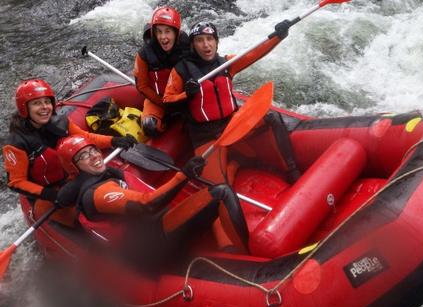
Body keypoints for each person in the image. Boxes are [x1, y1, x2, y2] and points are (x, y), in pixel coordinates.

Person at [56, 136, 249, 264]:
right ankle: (246, 261)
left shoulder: (104, 175)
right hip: (151, 245)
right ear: (74, 167)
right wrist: (184, 175)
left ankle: (230, 250)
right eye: (83, 156)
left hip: (153, 228)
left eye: (93, 150)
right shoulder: (97, 193)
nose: (94, 156)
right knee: (221, 193)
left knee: (213, 197)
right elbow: (146, 205)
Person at [163, 20, 300, 184]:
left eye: (210, 39)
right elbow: (167, 100)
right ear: (193, 45)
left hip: (232, 124)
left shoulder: (226, 63)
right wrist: (186, 94)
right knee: (216, 187)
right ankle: (235, 164)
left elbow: (254, 53)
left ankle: (291, 170)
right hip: (205, 135)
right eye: (200, 40)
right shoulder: (180, 70)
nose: (206, 45)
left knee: (273, 117)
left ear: (216, 41)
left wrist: (279, 36)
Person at [2, 79, 137, 227]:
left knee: (112, 184)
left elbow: (86, 138)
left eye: (47, 102)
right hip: (46, 194)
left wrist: (114, 140)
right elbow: (16, 183)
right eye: (36, 103)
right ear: (24, 108)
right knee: (81, 220)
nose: (44, 107)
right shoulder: (16, 144)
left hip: (73, 178)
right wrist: (52, 195)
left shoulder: (60, 122)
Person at [133, 6, 190, 137]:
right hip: (158, 100)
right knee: (150, 127)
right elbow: (142, 86)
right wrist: (164, 103)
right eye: (158, 32)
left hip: (184, 97)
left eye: (167, 31)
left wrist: (181, 99)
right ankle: (165, 120)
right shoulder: (144, 55)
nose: (163, 37)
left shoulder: (188, 47)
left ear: (176, 32)